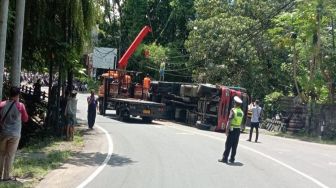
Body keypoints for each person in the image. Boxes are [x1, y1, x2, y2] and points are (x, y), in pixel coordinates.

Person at [0, 87, 29, 181]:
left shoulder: (2, 104)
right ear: (17, 95)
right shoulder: (20, 106)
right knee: (9, 155)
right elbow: (25, 119)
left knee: (1, 154)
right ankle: (6, 176)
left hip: (3, 133)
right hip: (15, 134)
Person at [219, 96, 244, 164]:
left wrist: (227, 130)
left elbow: (229, 121)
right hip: (238, 130)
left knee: (228, 144)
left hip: (232, 130)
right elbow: (241, 122)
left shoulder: (233, 110)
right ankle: (232, 159)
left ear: (235, 103)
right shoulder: (241, 112)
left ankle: (225, 158)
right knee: (234, 145)